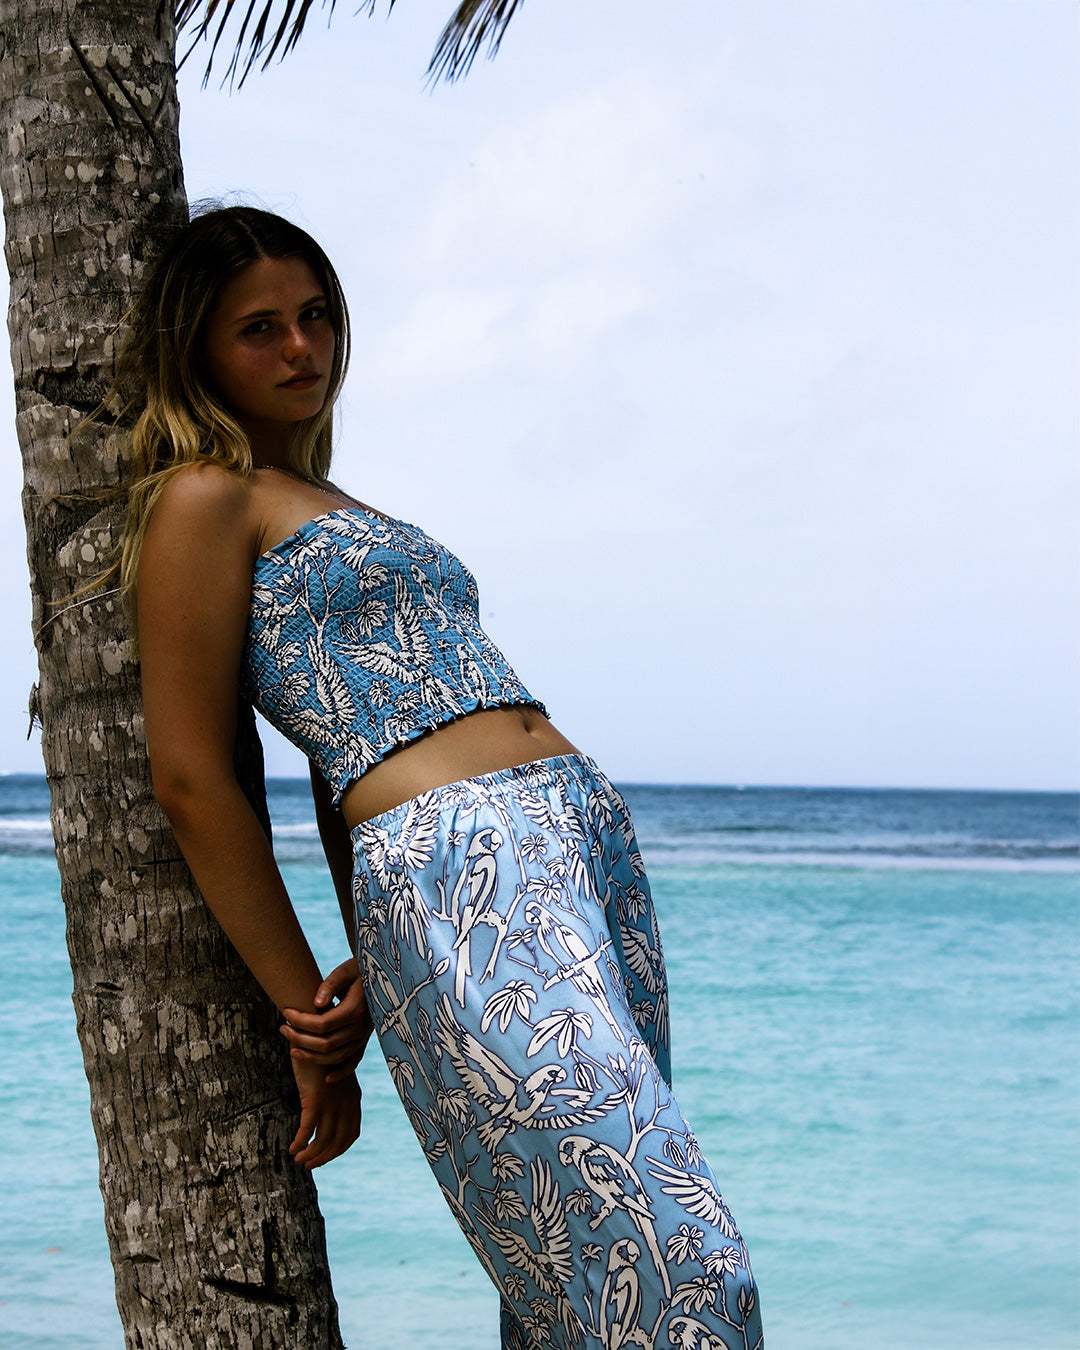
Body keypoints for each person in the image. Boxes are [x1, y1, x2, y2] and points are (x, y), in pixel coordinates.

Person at [119, 204, 763, 1350]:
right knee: (682, 1263)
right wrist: (306, 1015)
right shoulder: (204, 498)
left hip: (579, 852)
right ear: (197, 352)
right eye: (258, 329)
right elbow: (195, 777)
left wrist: (369, 953)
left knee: (577, 1267)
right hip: (463, 870)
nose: (301, 349)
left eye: (315, 318)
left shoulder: (334, 503)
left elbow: (327, 785)